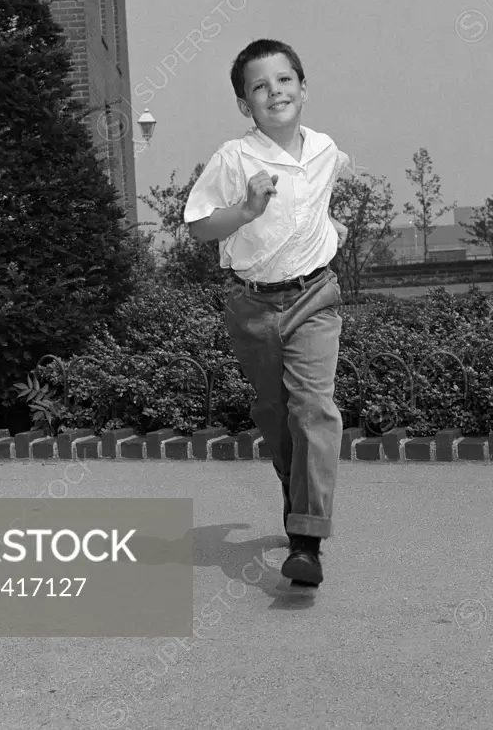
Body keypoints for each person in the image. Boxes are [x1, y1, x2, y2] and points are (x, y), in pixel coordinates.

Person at [183, 38, 350, 587]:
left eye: (284, 80)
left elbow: (321, 197)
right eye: (260, 86)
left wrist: (331, 229)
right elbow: (200, 226)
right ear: (245, 104)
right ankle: (291, 482)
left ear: (304, 88)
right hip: (252, 303)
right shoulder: (235, 157)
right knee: (277, 415)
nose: (274, 91)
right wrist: (249, 209)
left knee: (315, 410)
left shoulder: (326, 148)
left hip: (315, 298)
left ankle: (306, 542)